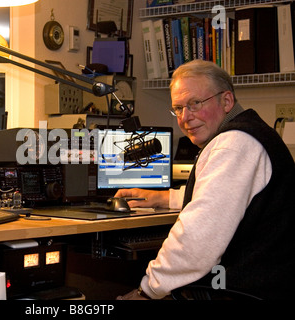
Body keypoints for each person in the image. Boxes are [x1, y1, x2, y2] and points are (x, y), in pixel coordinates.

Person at [116, 59, 295, 300]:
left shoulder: (233, 144)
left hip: (246, 290)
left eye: (195, 103)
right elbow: (228, 199)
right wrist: (166, 197)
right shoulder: (248, 132)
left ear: (227, 101)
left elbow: (197, 242)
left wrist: (148, 290)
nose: (185, 118)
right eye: (178, 108)